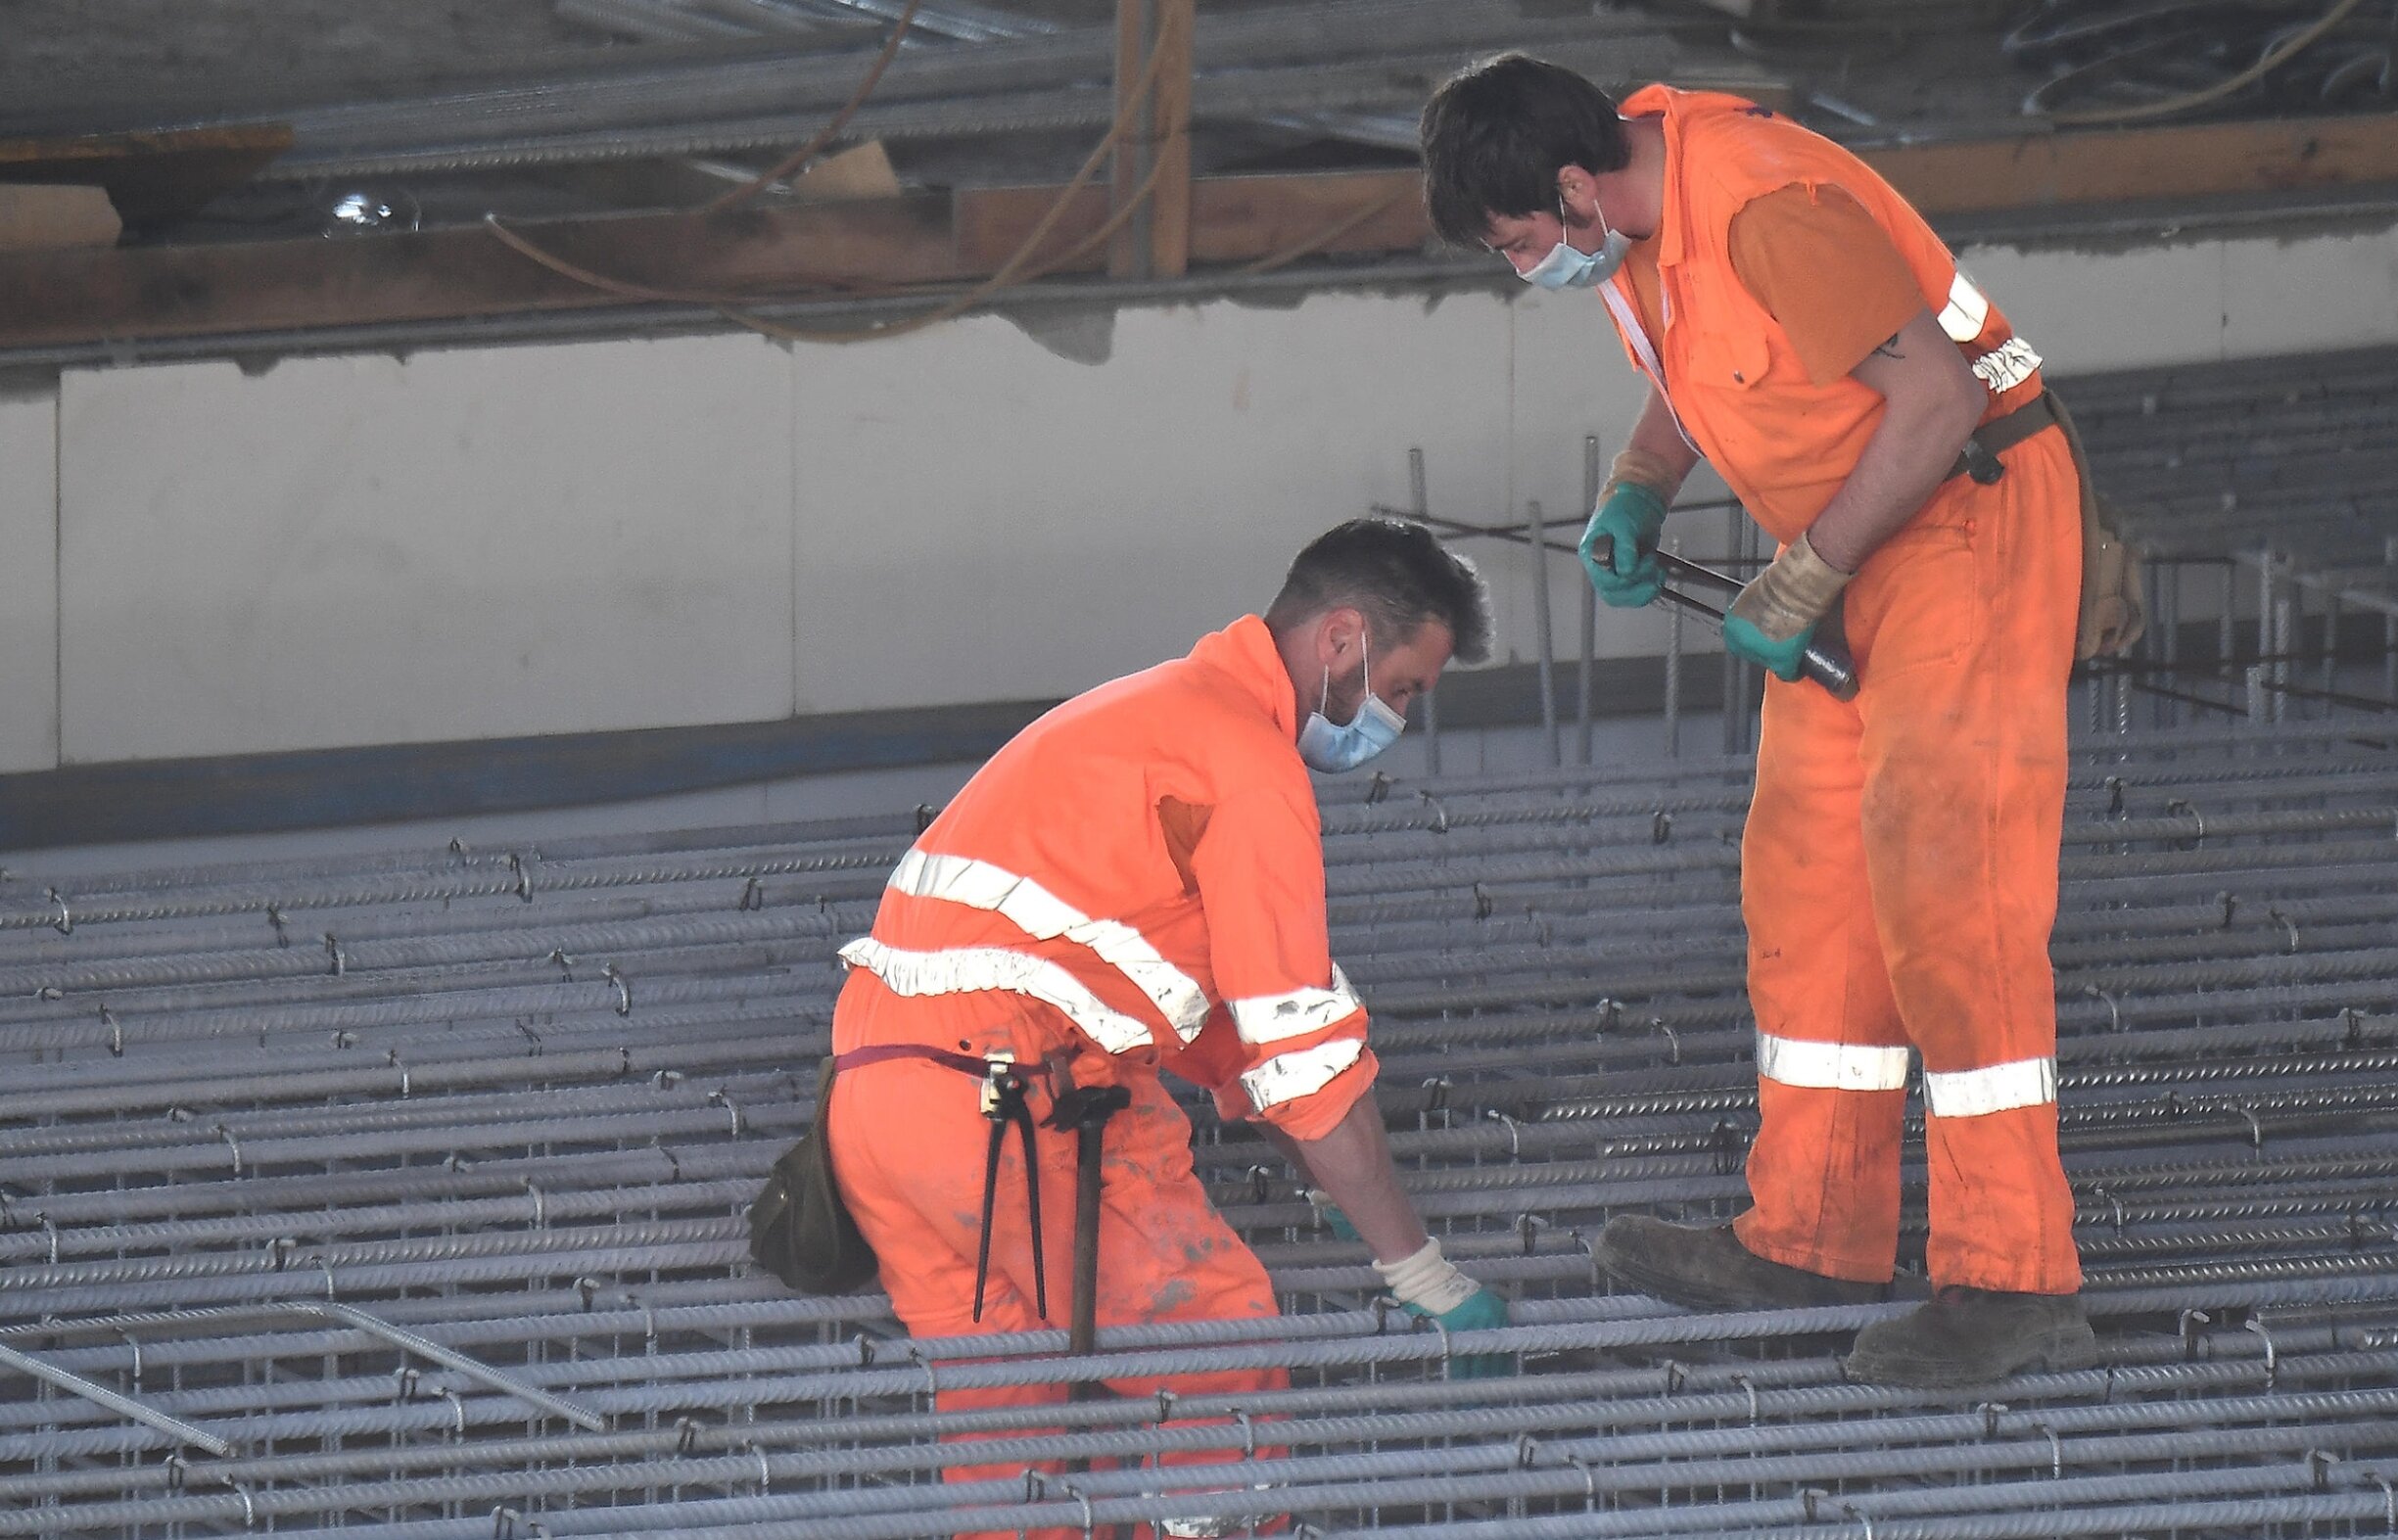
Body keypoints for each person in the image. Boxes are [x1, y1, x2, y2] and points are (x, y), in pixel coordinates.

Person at [1419, 55, 2091, 1388]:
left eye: (1519, 246)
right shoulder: (1636, 223)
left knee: (1953, 893)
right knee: (1813, 884)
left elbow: (1940, 402)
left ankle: (2015, 1282)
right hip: (1856, 544)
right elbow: (1701, 366)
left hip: (1967, 520)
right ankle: (1814, 1231)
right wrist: (1638, 487)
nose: (1523, 270)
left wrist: (1805, 571)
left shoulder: (1768, 207)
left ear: (1572, 189)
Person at [825, 518, 1510, 1533]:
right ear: (1340, 639)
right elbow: (1304, 1064)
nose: (1397, 718)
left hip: (878, 1109)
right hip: (1010, 1101)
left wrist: (1322, 1166)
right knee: (1219, 1347)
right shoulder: (1247, 770)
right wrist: (1418, 1268)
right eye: (1402, 687)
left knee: (1010, 1419)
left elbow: (1210, 1018)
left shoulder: (1152, 714)